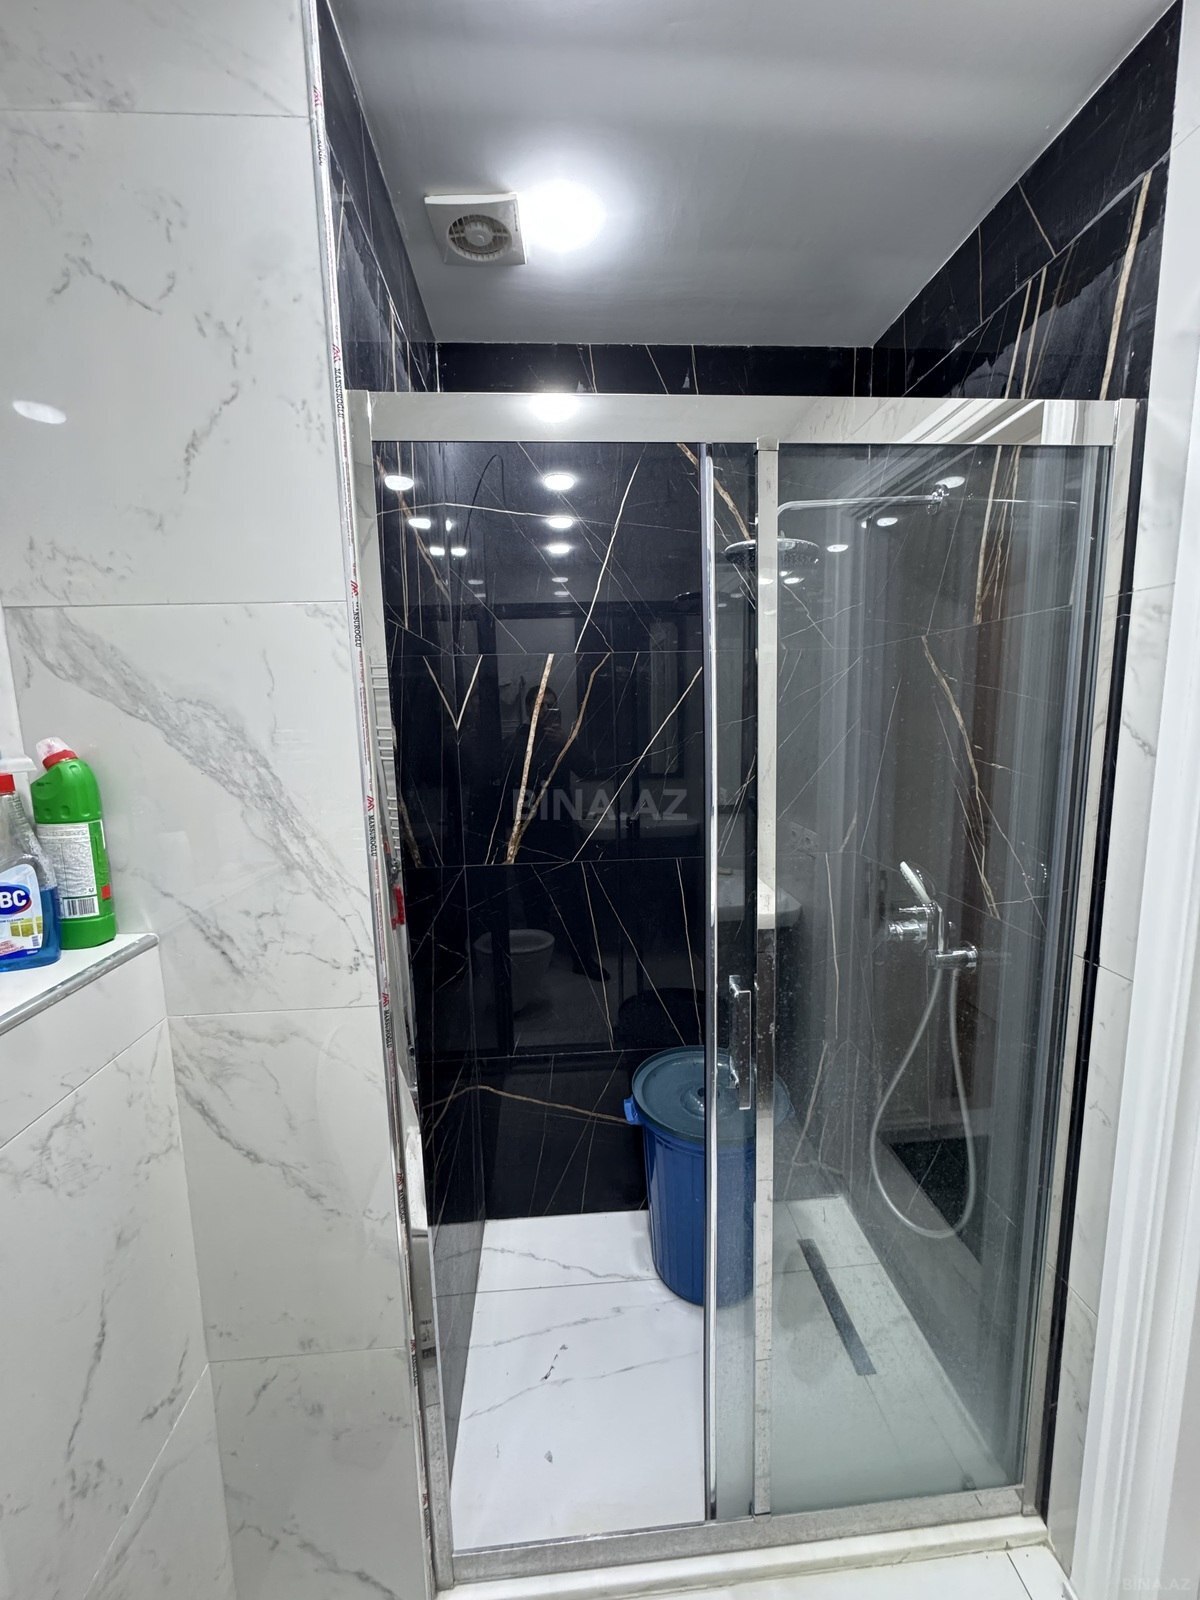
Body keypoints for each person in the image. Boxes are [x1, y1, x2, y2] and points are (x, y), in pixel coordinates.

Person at [501, 682, 610, 982]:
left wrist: (567, 743)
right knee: (532, 898)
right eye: (540, 705)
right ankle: (539, 961)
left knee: (573, 896)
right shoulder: (517, 740)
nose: (546, 710)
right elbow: (506, 783)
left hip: (560, 829)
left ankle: (582, 959)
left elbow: (589, 770)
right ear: (529, 710)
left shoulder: (562, 739)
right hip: (528, 831)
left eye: (551, 705)